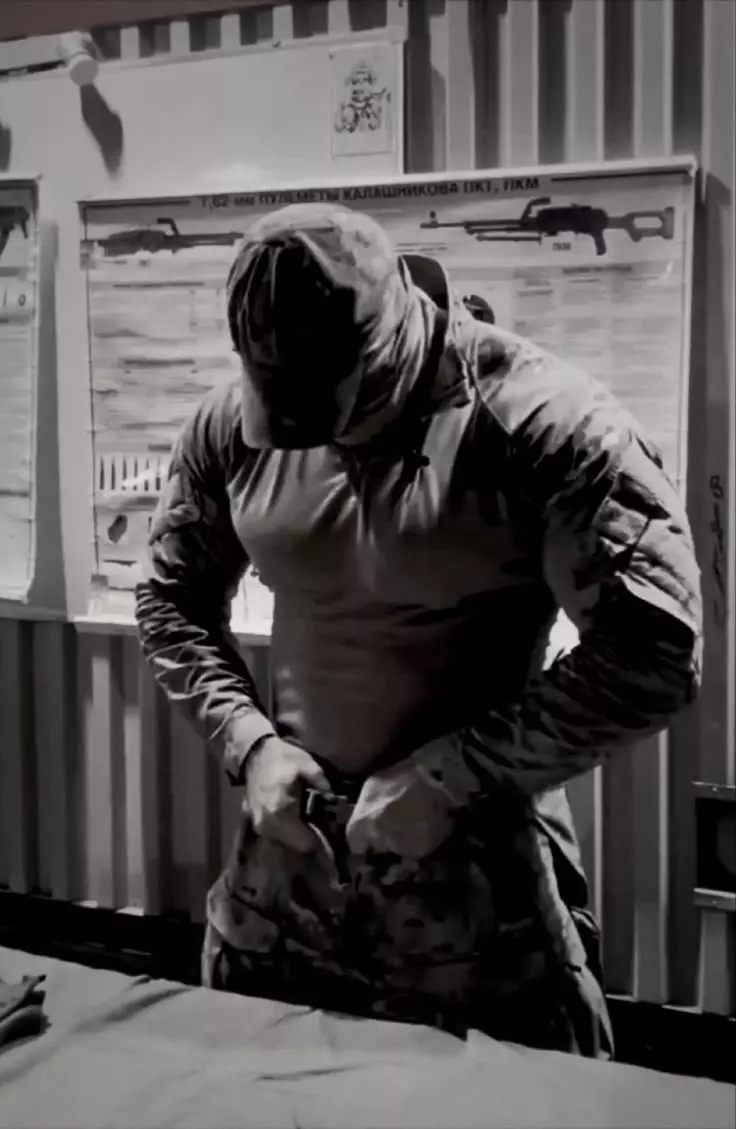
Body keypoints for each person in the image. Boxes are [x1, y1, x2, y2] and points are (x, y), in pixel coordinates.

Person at [135, 203, 702, 1059]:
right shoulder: (229, 429)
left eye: (329, 401)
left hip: (476, 876)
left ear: (388, 338)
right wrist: (249, 744)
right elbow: (170, 598)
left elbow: (656, 651)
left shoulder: (540, 424)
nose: (308, 431)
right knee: (251, 1095)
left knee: (511, 1108)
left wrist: (450, 776)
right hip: (288, 864)